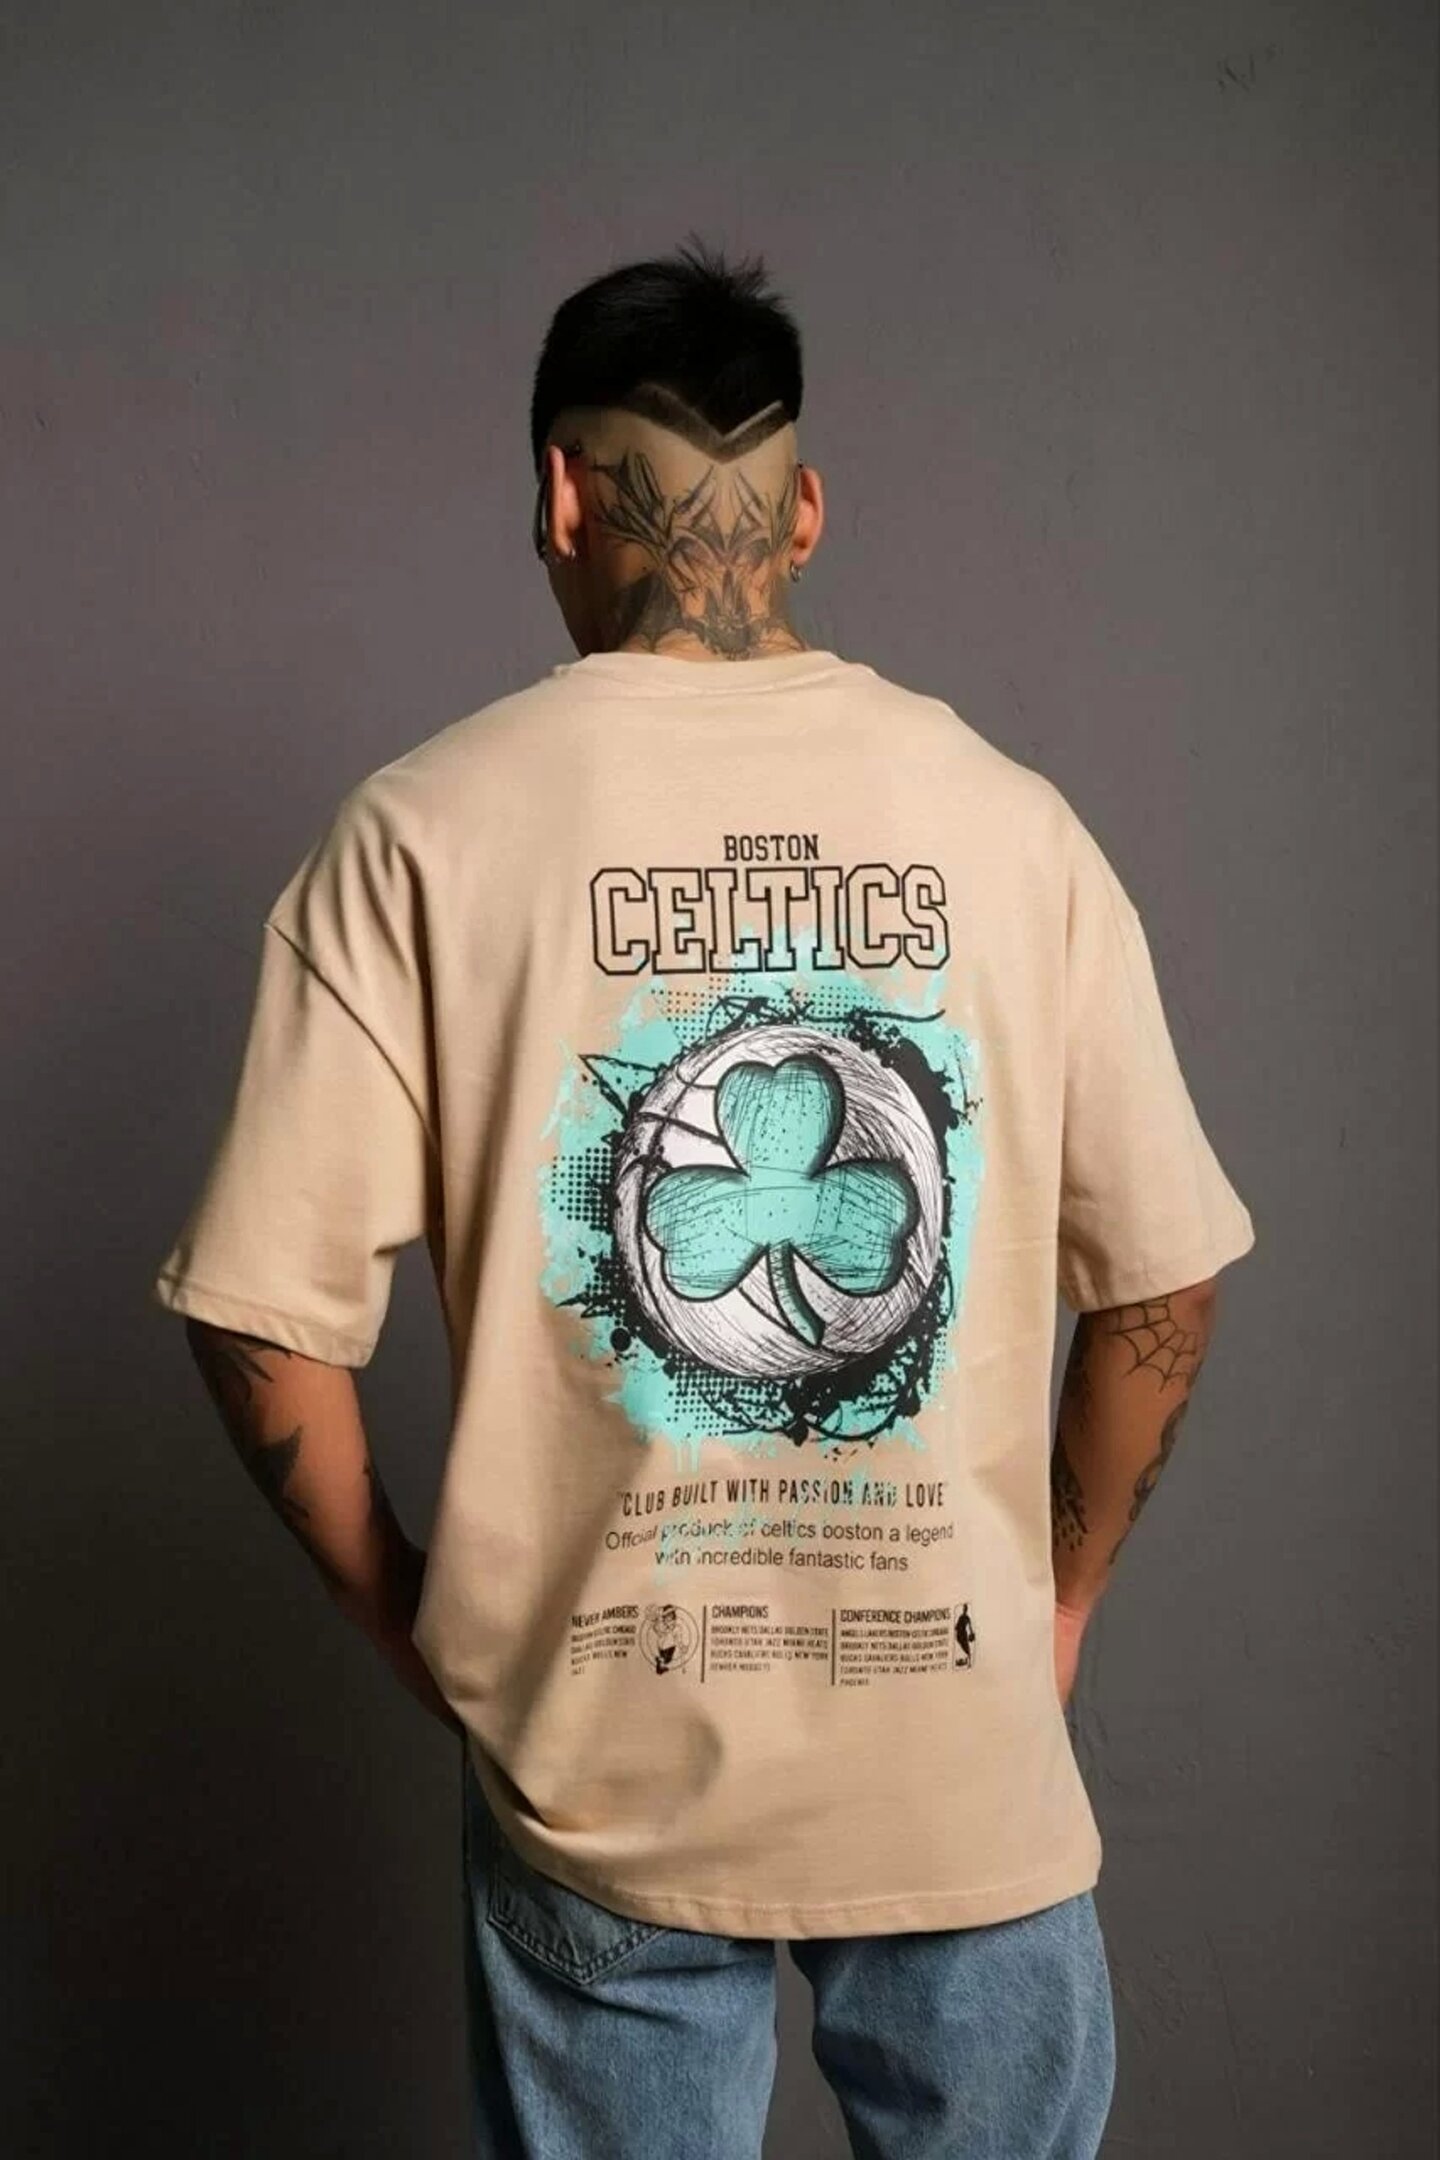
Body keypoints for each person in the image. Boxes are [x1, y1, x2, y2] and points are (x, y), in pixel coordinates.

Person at [151, 240, 1257, 2159]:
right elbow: (1162, 1287)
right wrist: (1061, 1596)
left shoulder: (423, 833)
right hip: (956, 1744)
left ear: (559, 496)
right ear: (806, 509)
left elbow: (259, 1315)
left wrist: (419, 1624)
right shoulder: (1017, 827)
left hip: (603, 1761)